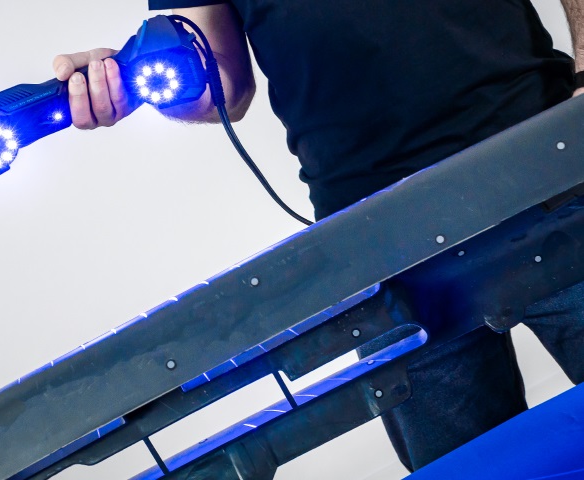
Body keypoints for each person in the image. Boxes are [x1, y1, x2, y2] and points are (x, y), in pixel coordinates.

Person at [52, 1, 584, 473]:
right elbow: (224, 87)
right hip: (379, 236)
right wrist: (133, 83)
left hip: (547, 156)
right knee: (462, 466)